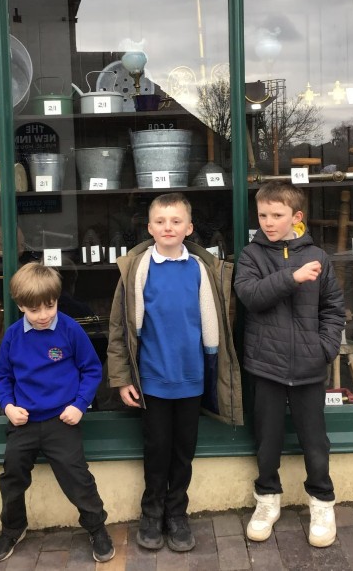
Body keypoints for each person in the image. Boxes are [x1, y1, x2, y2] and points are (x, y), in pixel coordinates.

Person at [107, 192, 243, 553]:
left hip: (192, 379)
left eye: (176, 221)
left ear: (189, 228)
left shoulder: (201, 270)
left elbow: (217, 327)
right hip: (152, 380)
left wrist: (213, 375)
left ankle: (177, 514)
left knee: (184, 452)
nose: (168, 227)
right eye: (161, 221)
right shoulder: (137, 270)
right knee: (156, 451)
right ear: (150, 228)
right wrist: (122, 378)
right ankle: (151, 514)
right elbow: (119, 330)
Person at [234, 181, 345, 548]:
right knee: (267, 439)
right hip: (266, 365)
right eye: (263, 215)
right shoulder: (251, 255)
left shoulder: (318, 256)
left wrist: (324, 348)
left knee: (315, 441)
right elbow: (250, 296)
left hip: (309, 366)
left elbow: (333, 309)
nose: (268, 222)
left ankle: (322, 503)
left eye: (276, 215)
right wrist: (292, 277)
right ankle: (267, 500)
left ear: (296, 217)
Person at [0, 262, 115, 564]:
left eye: (50, 306)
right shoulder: (13, 336)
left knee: (77, 477)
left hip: (62, 420)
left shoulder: (70, 329)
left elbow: (91, 369)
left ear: (57, 299)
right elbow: (1, 377)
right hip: (24, 421)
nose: (44, 315)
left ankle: (96, 527)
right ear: (21, 306)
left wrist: (79, 404)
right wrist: (8, 406)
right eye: (35, 310)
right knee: (12, 474)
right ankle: (13, 528)